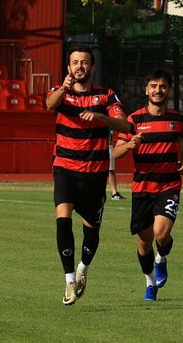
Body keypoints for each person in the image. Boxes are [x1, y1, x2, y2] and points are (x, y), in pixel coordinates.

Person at [45, 46, 131, 306]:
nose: (79, 66)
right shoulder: (59, 93)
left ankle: (83, 268)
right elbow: (49, 104)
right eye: (74, 62)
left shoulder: (106, 95)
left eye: (84, 62)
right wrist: (63, 87)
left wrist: (101, 117)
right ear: (68, 68)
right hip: (64, 168)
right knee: (62, 221)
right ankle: (69, 279)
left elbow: (126, 124)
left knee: (91, 230)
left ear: (92, 67)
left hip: (94, 173)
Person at [113, 69, 183, 302]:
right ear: (146, 90)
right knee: (143, 241)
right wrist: (129, 146)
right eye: (154, 86)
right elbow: (115, 152)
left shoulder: (179, 120)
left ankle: (162, 258)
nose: (158, 90)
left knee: (161, 232)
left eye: (163, 86)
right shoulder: (133, 120)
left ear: (169, 90)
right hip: (142, 188)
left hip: (169, 185)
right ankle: (149, 282)